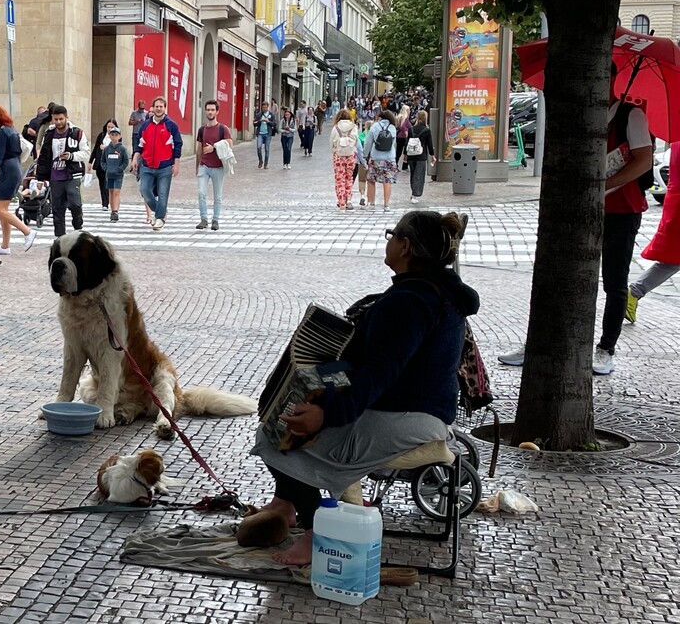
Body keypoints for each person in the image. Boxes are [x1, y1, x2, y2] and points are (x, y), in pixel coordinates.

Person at [253, 211, 478, 565]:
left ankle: (316, 536)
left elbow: (379, 373)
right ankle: (285, 506)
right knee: (284, 412)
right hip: (416, 409)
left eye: (391, 235)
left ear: (404, 246)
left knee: (276, 434)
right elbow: (379, 367)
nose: (388, 241)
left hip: (405, 416)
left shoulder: (409, 300)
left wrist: (327, 414)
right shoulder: (436, 291)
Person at [499, 63, 653, 375]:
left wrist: (604, 185)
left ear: (611, 79)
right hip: (574, 206)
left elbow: (644, 160)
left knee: (614, 279)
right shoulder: (576, 113)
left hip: (620, 209)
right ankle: (540, 341)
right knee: (556, 273)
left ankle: (606, 347)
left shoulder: (629, 114)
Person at [627, 144, 680, 324]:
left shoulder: (676, 144)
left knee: (672, 260)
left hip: (675, 203)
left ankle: (634, 293)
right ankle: (634, 293)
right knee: (672, 260)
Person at [0, 103, 38, 256]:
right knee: (3, 209)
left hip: (7, 170)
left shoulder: (2, 132)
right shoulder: (10, 130)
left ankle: (27, 232)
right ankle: (5, 245)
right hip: (13, 168)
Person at [34, 104, 90, 238]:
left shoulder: (76, 133)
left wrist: (71, 156)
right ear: (52, 119)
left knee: (75, 204)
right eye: (55, 119)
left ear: (66, 118)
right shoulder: (49, 134)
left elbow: (85, 153)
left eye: (61, 119)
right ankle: (60, 237)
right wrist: (40, 178)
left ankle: (78, 225)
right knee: (57, 209)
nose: (58, 122)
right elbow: (44, 156)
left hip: (72, 174)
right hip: (55, 176)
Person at [132, 96, 182, 231]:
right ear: (153, 108)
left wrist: (176, 164)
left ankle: (159, 219)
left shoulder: (171, 125)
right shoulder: (145, 125)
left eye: (161, 106)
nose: (159, 109)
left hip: (165, 166)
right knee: (144, 190)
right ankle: (161, 212)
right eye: (157, 106)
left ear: (165, 108)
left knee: (163, 193)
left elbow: (178, 145)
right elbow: (139, 144)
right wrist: (135, 158)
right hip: (147, 165)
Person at [195, 99, 230, 231]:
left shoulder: (223, 129)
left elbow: (230, 144)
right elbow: (199, 149)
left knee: (217, 195)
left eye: (212, 110)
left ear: (217, 111)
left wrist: (214, 147)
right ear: (205, 111)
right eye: (208, 110)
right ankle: (203, 219)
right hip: (204, 166)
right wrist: (197, 166)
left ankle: (215, 220)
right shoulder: (202, 130)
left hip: (218, 167)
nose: (210, 112)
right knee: (201, 192)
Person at [363, 110, 398, 211]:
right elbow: (393, 143)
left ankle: (371, 203)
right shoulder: (392, 128)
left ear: (380, 117)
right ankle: (386, 204)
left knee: (371, 179)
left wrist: (365, 155)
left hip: (376, 157)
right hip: (389, 158)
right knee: (387, 181)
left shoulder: (374, 126)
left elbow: (368, 143)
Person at [329, 109, 359, 211]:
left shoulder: (336, 128)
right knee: (349, 177)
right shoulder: (354, 127)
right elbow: (356, 141)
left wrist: (334, 150)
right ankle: (349, 199)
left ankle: (341, 202)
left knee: (339, 178)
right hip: (351, 155)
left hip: (339, 155)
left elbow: (331, 143)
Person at [405, 110, 435, 205]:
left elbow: (407, 142)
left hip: (411, 155)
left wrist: (405, 154)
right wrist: (432, 155)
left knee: (413, 175)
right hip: (421, 156)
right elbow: (429, 144)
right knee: (419, 175)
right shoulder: (426, 130)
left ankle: (413, 192)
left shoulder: (411, 129)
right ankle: (414, 194)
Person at [102, 127, 130, 222]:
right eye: (112, 135)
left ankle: (115, 210)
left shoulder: (122, 149)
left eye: (116, 135)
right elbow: (103, 161)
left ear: (119, 136)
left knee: (116, 192)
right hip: (109, 174)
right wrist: (106, 168)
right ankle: (112, 210)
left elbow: (125, 161)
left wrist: (120, 169)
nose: (114, 137)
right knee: (111, 192)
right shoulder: (107, 149)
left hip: (118, 174)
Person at [91, 119, 118, 210]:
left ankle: (110, 201)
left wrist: (106, 148)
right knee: (102, 183)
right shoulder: (101, 135)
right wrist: (90, 161)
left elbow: (118, 150)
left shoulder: (117, 137)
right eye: (108, 127)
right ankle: (104, 203)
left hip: (110, 164)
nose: (110, 129)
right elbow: (95, 149)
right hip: (100, 163)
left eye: (112, 127)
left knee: (108, 183)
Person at [253, 100, 275, 169]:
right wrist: (260, 121)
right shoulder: (259, 114)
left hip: (268, 134)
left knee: (267, 149)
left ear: (268, 107)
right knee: (259, 148)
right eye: (263, 107)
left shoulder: (271, 115)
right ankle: (260, 161)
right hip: (260, 133)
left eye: (265, 107)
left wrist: (268, 121)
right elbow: (254, 123)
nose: (264, 109)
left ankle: (266, 164)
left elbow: (274, 124)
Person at [394, 106, 411, 171]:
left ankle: (396, 164)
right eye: (409, 110)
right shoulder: (405, 117)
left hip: (398, 136)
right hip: (404, 136)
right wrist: (406, 132)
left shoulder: (399, 117)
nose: (410, 111)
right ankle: (405, 165)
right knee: (406, 151)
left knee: (398, 151)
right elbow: (403, 126)